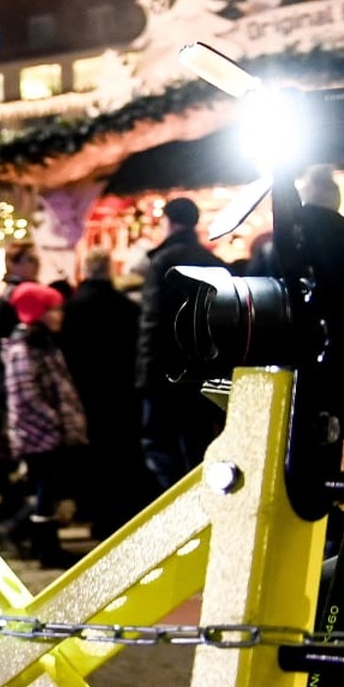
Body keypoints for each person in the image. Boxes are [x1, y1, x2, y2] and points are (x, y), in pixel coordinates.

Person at [136, 197, 225, 490]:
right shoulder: (212, 262)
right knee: (197, 444)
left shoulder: (163, 261)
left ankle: (176, 508)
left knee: (160, 444)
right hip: (202, 370)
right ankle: (200, 503)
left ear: (168, 221)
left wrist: (146, 374)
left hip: (165, 369)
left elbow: (152, 321)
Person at [0, 282, 87, 568]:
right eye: (53, 310)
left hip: (46, 432)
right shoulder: (25, 347)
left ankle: (38, 541)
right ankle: (39, 544)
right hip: (38, 434)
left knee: (47, 489)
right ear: (37, 312)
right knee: (45, 489)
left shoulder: (43, 343)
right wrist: (55, 422)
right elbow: (26, 393)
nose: (59, 315)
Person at [59, 249, 147, 535]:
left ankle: (95, 512)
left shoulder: (73, 308)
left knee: (92, 455)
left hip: (85, 392)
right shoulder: (127, 307)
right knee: (120, 453)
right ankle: (119, 514)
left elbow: (67, 353)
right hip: (121, 391)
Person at [0, 240, 41, 519]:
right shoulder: (15, 297)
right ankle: (15, 513)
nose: (34, 265)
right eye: (28, 260)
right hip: (19, 385)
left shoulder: (14, 294)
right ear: (13, 264)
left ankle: (14, 510)